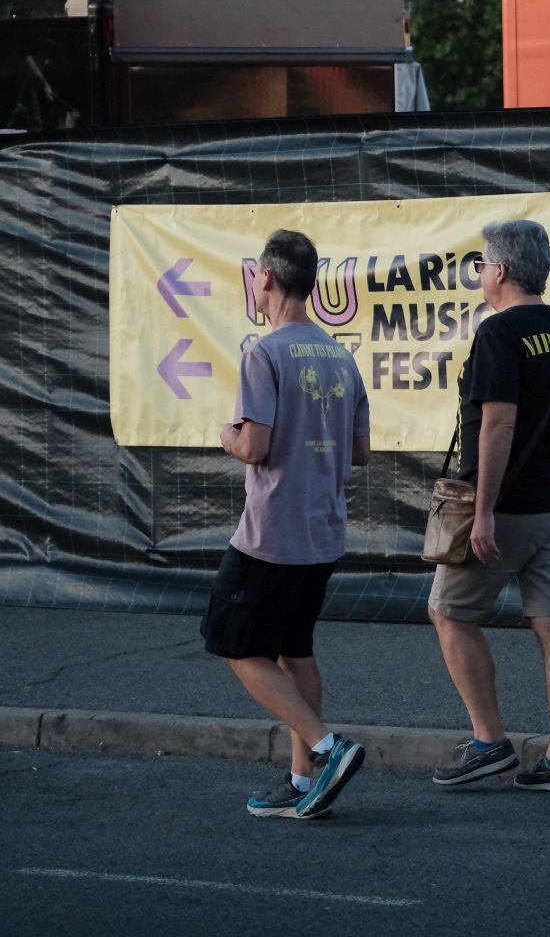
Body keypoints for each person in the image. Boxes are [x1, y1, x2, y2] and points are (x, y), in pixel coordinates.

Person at [428, 218, 550, 793]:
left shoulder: (498, 334)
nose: (479, 273)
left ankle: (489, 740)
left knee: (449, 613)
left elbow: (497, 426)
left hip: (508, 508)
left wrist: (483, 512)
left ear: (497, 271)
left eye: (481, 264)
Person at [208, 229, 371, 820]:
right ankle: (304, 785)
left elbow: (255, 446)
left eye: (254, 275)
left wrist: (225, 435)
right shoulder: (339, 355)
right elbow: (361, 452)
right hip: (323, 529)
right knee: (295, 650)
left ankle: (328, 748)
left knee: (232, 643)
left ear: (267, 279)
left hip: (271, 532)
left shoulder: (264, 351)